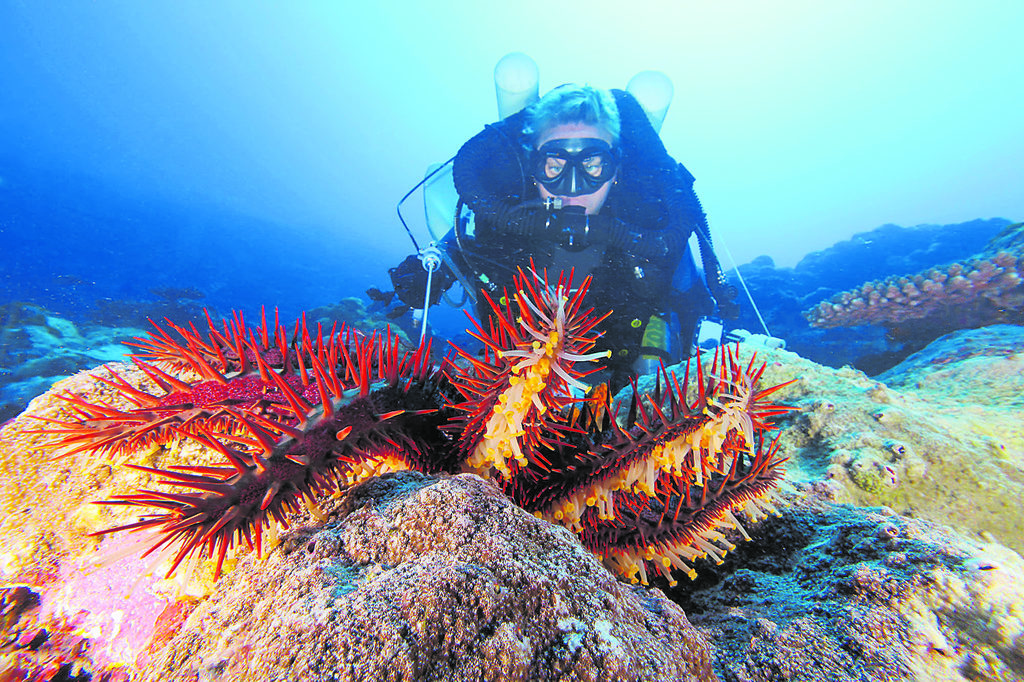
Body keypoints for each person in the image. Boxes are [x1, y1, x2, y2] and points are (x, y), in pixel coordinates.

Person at [384, 84, 738, 390]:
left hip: (623, 390)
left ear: (615, 169)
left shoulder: (648, 226)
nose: (573, 188)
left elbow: (694, 303)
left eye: (592, 166)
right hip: (510, 378)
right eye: (554, 166)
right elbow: (457, 248)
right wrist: (429, 274)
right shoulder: (503, 217)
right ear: (533, 168)